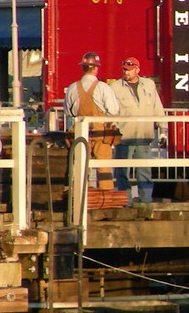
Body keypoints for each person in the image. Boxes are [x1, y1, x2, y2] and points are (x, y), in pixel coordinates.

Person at [111, 56, 165, 204]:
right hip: (124, 138)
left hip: (144, 136)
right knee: (122, 173)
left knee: (145, 173)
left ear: (137, 70)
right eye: (124, 70)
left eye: (129, 70)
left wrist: (163, 130)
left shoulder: (149, 85)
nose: (126, 73)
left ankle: (146, 203)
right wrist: (113, 133)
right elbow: (112, 113)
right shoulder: (115, 88)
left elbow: (157, 108)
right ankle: (125, 203)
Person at [64, 51, 121, 190]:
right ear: (96, 68)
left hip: (80, 132)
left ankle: (81, 198)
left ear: (82, 67)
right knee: (104, 169)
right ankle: (105, 199)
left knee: (81, 167)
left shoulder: (72, 88)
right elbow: (113, 110)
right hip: (100, 133)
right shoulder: (103, 88)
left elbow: (68, 111)